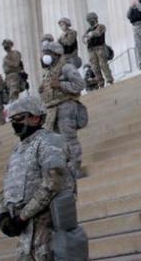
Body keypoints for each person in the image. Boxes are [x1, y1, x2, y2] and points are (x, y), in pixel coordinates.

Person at [0, 95, 86, 261]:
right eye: (13, 120)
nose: (16, 124)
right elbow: (6, 185)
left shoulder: (50, 141)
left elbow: (53, 181)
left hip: (46, 226)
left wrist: (23, 215)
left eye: (20, 118)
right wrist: (2, 214)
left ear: (35, 117)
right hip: (25, 234)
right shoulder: (18, 150)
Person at [39, 41, 87, 179]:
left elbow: (79, 84)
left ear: (56, 54)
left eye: (48, 53)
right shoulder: (48, 72)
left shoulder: (66, 67)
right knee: (56, 142)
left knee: (69, 139)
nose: (45, 56)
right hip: (52, 110)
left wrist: (60, 84)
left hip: (66, 106)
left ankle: (75, 167)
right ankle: (65, 168)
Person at [83, 12, 114, 88]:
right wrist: (88, 36)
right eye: (89, 20)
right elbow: (84, 39)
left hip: (100, 48)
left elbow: (98, 33)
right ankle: (100, 82)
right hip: (91, 50)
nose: (90, 22)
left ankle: (109, 80)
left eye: (91, 20)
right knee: (95, 67)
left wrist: (90, 35)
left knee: (103, 64)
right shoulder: (88, 30)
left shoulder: (101, 26)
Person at [2, 39, 27, 103]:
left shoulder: (15, 53)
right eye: (4, 45)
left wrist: (6, 61)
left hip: (14, 76)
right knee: (9, 96)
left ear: (11, 45)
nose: (5, 46)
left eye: (7, 44)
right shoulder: (6, 56)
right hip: (8, 77)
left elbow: (16, 64)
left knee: (14, 94)